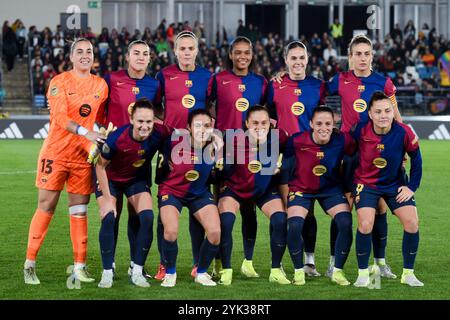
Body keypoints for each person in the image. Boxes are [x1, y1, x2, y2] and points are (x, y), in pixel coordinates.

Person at [23, 38, 108, 285]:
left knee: (79, 211)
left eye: (89, 51)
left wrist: (99, 135)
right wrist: (86, 133)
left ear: (94, 56)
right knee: (46, 206)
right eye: (79, 51)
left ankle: (79, 266)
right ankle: (29, 263)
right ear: (71, 57)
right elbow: (59, 118)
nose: (84, 55)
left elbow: (100, 119)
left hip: (83, 157)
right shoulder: (59, 82)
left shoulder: (101, 85)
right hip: (56, 153)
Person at [326, 34, 401, 279]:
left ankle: (380, 263)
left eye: (366, 54)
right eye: (357, 54)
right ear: (350, 57)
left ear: (372, 56)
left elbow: (395, 115)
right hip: (348, 154)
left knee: (379, 207)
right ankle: (333, 262)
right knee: (343, 208)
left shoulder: (383, 82)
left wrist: (402, 147)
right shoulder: (340, 80)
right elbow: (312, 93)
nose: (362, 58)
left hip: (378, 154)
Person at [97, 40, 161, 278]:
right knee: (112, 214)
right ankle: (109, 265)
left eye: (145, 54)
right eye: (136, 53)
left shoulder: (154, 84)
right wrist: (98, 133)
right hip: (112, 158)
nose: (141, 57)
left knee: (139, 216)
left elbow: (160, 114)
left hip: (139, 162)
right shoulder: (111, 79)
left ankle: (136, 266)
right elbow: (97, 108)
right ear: (127, 56)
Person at [154, 31, 213, 280]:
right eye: (182, 49)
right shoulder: (164, 75)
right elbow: (155, 106)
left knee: (197, 198)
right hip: (170, 147)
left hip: (199, 148)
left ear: (196, 51)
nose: (187, 52)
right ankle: (164, 263)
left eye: (191, 48)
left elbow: (212, 108)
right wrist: (164, 129)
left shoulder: (207, 77)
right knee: (166, 205)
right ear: (175, 51)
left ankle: (198, 263)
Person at [209, 36, 267, 279]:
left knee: (249, 208)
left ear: (252, 55)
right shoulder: (218, 79)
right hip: (224, 148)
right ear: (231, 55)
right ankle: (219, 262)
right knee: (221, 206)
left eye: (247, 52)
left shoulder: (262, 83)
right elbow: (207, 106)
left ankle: (248, 261)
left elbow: (267, 112)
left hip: (252, 150)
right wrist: (214, 131)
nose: (242, 57)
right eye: (238, 53)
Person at [95, 99, 170, 288]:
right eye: (140, 122)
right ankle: (107, 272)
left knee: (147, 217)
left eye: (149, 122)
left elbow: (180, 134)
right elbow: (100, 167)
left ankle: (137, 271)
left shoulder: (160, 132)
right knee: (109, 216)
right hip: (110, 179)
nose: (144, 126)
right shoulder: (116, 139)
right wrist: (107, 200)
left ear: (155, 121)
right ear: (131, 119)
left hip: (136, 180)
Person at [352, 91, 423, 287]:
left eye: (387, 111)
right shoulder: (360, 130)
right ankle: (363, 274)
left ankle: (408, 274)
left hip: (395, 185)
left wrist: (411, 187)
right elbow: (348, 155)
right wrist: (348, 187)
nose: (383, 115)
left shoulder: (404, 131)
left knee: (412, 223)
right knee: (365, 224)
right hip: (367, 185)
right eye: (378, 111)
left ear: (393, 112)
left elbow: (417, 159)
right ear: (370, 114)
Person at [268, 41, 326, 277]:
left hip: (310, 158)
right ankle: (278, 263)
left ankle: (309, 261)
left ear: (308, 59)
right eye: (293, 58)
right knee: (282, 212)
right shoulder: (274, 86)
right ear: (286, 61)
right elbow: (267, 116)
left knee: (308, 211)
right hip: (283, 156)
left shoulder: (319, 86)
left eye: (302, 57)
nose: (298, 62)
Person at [217, 105, 289, 286]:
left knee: (280, 219)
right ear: (246, 123)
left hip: (263, 190)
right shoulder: (232, 138)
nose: (259, 126)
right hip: (235, 189)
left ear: (270, 124)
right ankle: (225, 268)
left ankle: (275, 270)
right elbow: (218, 165)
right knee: (226, 221)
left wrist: (282, 167)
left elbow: (297, 149)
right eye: (255, 123)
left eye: (264, 122)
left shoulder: (279, 137)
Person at [284, 106, 354, 286]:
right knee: (294, 225)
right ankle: (299, 271)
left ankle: (337, 270)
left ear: (334, 124)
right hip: (302, 189)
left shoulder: (342, 140)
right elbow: (283, 163)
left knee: (345, 222)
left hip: (330, 189)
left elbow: (360, 153)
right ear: (311, 124)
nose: (324, 127)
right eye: (319, 123)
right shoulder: (297, 141)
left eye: (328, 123)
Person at [157, 109, 222, 287]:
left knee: (215, 233)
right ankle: (170, 273)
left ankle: (201, 272)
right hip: (172, 191)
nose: (203, 129)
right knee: (170, 231)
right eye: (198, 125)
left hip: (199, 193)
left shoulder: (217, 145)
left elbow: (222, 172)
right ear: (189, 128)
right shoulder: (173, 141)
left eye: (207, 125)